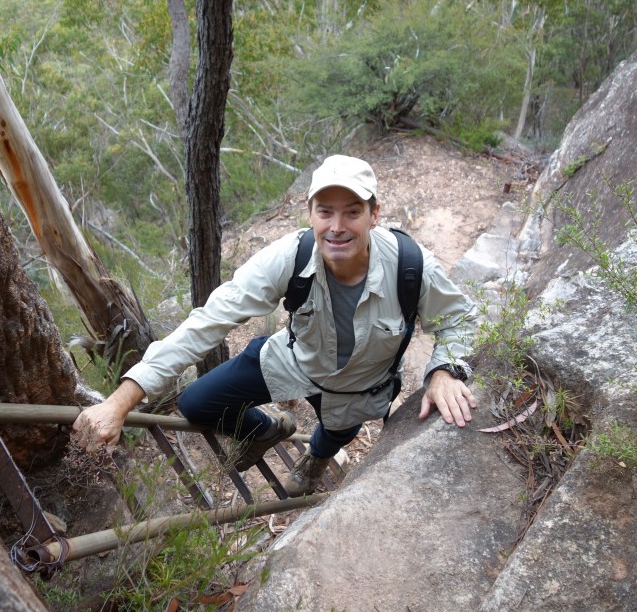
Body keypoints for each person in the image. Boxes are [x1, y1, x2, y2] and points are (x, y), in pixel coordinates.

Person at [74, 155, 479, 496]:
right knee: (198, 403)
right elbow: (209, 320)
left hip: (357, 387)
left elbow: (460, 319)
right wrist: (119, 402)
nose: (337, 226)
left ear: (375, 214)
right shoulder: (290, 256)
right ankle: (267, 429)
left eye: (352, 212)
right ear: (310, 214)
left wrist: (444, 370)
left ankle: (315, 462)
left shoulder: (410, 266)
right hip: (294, 360)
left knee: (331, 437)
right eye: (325, 212)